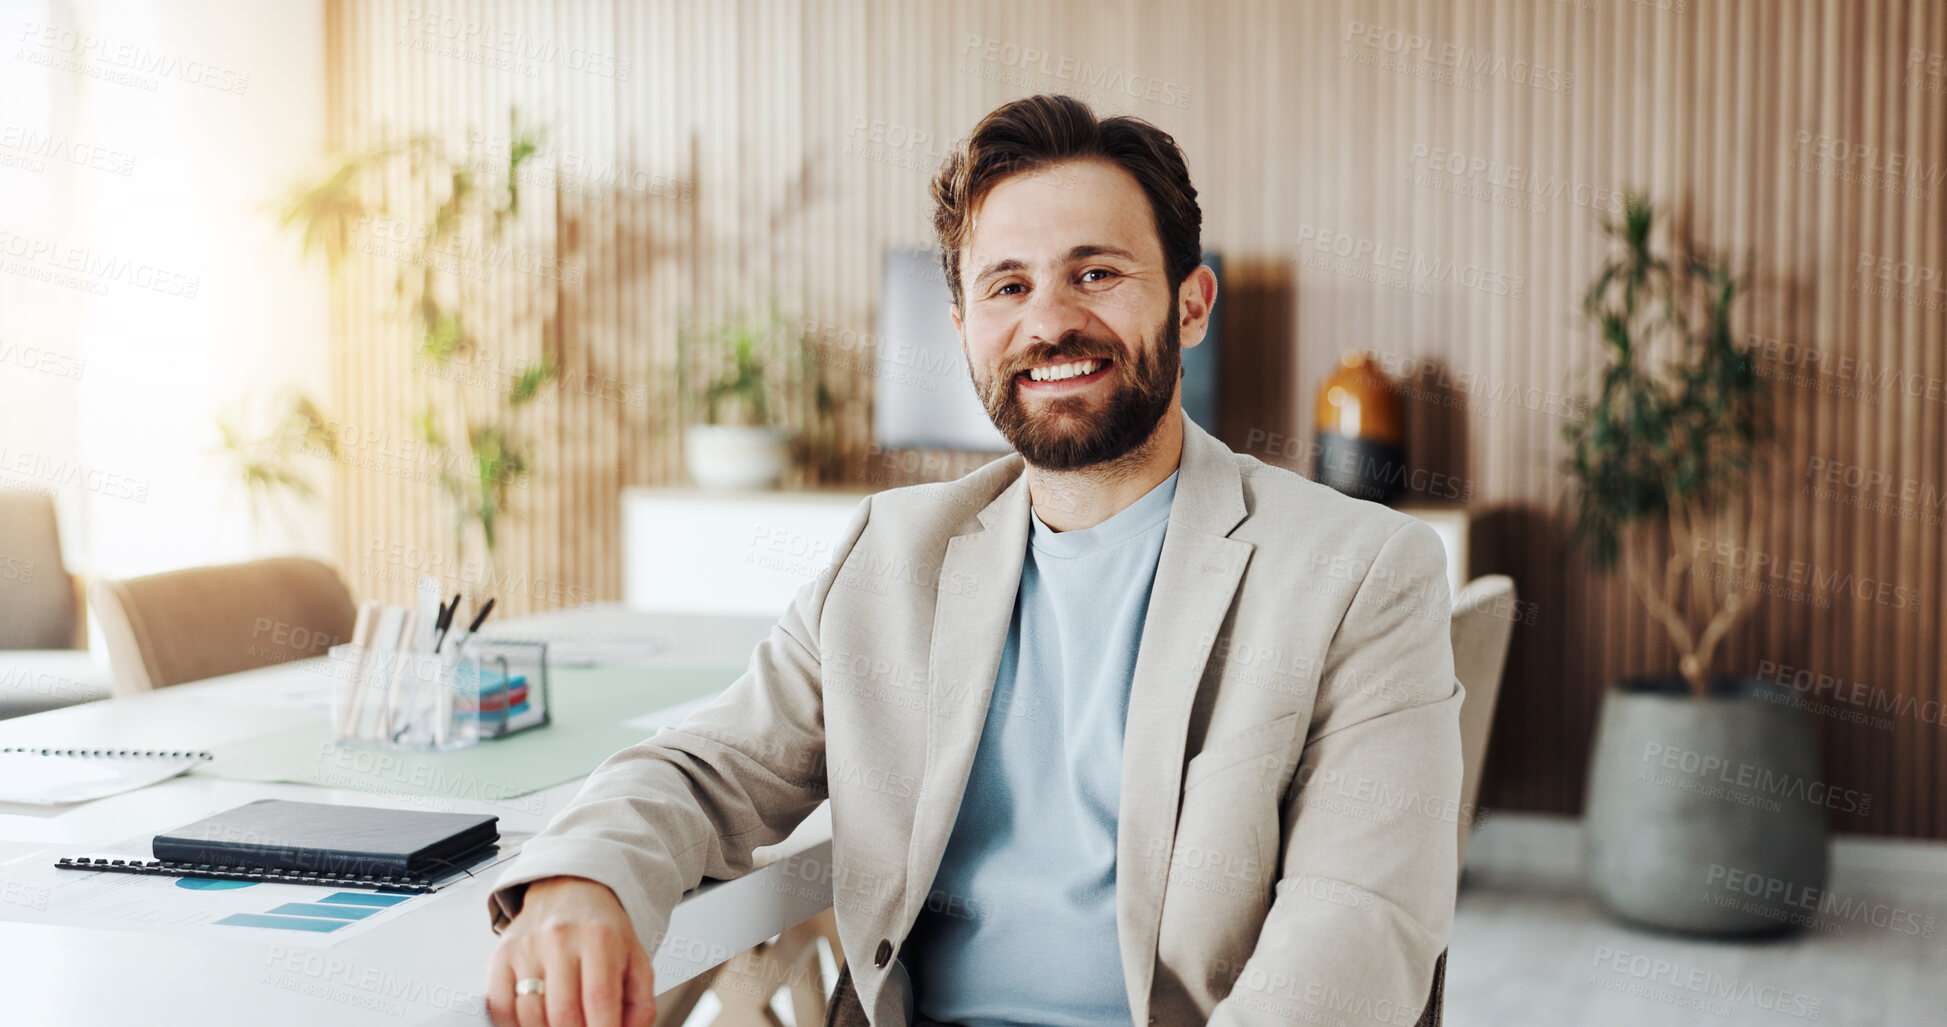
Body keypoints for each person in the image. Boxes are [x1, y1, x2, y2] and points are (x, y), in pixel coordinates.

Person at [484, 93, 1463, 1027]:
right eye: (1008, 286)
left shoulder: (1361, 570)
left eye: (1097, 273)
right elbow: (713, 765)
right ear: (963, 329)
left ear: (1192, 303)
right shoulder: (892, 553)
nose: (1049, 323)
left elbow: (1359, 922)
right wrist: (586, 870)